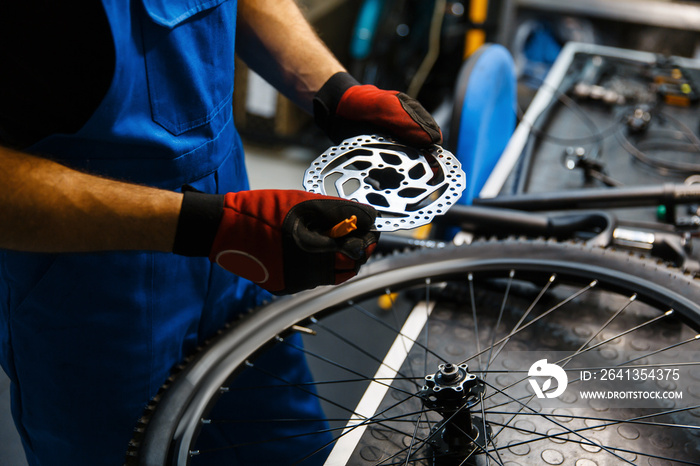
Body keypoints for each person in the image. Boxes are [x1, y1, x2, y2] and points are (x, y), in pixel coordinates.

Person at [0, 1, 442, 465]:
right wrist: (208, 226)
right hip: (93, 295)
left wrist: (334, 93)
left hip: (237, 256)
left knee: (294, 452)